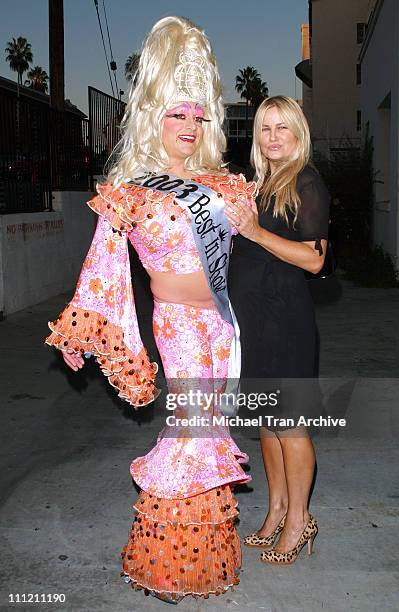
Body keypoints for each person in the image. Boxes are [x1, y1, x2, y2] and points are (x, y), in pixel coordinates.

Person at [45, 16, 255, 603]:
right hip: (179, 327)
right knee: (189, 433)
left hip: (220, 324)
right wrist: (88, 326)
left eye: (197, 114)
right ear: (152, 116)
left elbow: (256, 251)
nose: (188, 126)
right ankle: (165, 564)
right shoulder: (133, 189)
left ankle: (200, 558)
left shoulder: (223, 186)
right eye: (175, 113)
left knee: (208, 431)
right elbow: (103, 268)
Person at [226, 96, 330, 565]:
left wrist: (255, 233)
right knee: (268, 428)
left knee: (290, 426)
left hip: (286, 323)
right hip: (255, 324)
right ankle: (276, 512)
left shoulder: (307, 182)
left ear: (298, 133)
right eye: (265, 128)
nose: (271, 136)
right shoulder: (260, 184)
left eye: (281, 127)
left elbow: (314, 258)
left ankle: (299, 520)